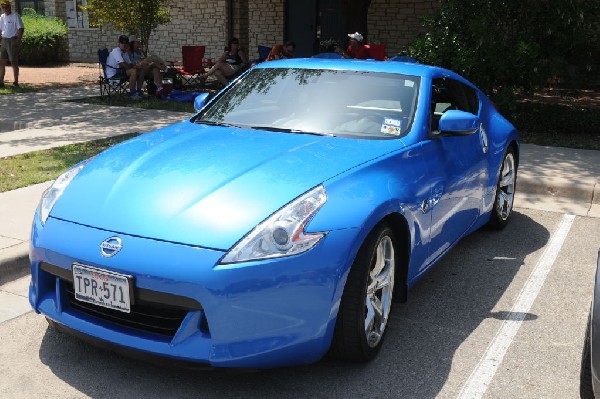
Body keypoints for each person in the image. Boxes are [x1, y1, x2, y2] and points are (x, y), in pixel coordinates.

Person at [106, 35, 143, 99]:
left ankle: (139, 91)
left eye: (125, 43)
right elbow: (125, 65)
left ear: (127, 44)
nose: (123, 45)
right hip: (113, 75)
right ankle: (133, 93)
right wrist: (132, 66)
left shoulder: (124, 52)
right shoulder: (116, 51)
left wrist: (136, 66)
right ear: (119, 43)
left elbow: (130, 64)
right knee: (133, 71)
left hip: (120, 72)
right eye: (122, 43)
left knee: (141, 71)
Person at [0, 0, 24, 88]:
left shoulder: (15, 16)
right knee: (1, 62)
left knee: (13, 62)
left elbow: (21, 29)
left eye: (6, 7)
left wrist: (17, 42)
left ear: (10, 7)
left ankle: (16, 82)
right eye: (3, 7)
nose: (5, 9)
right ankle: (1, 82)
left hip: (12, 40)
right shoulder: (2, 17)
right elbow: (0, 30)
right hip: (4, 40)